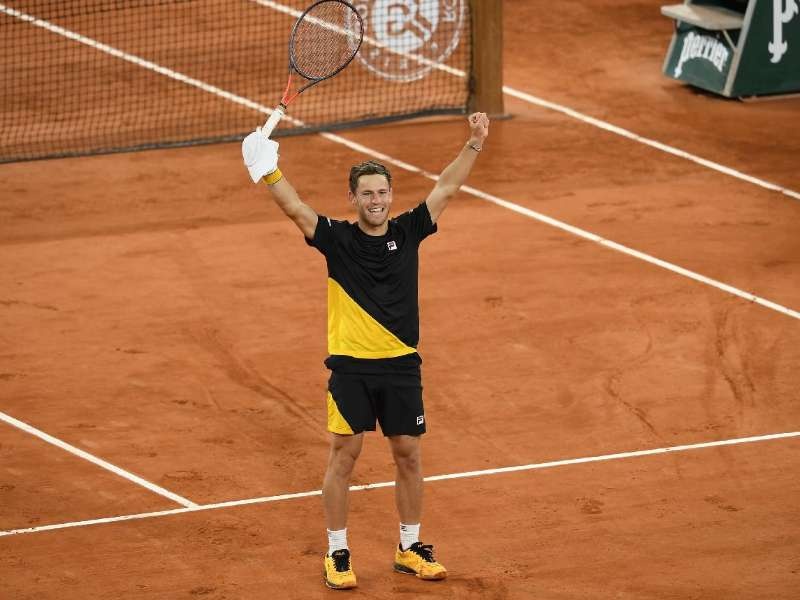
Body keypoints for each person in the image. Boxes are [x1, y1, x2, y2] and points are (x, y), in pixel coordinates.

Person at [242, 112, 490, 589]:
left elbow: (447, 187)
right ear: (353, 198)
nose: (376, 201)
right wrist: (268, 170)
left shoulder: (410, 230)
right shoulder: (336, 239)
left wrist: (475, 142)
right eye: (368, 194)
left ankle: (409, 547)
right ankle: (337, 552)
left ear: (390, 196)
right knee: (344, 455)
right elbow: (295, 208)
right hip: (351, 368)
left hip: (401, 366)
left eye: (382, 193)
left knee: (408, 454)